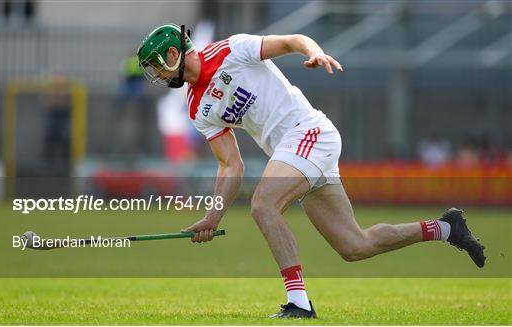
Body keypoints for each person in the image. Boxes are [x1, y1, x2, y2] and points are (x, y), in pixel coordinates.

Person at [136, 24, 486, 318]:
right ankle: (445, 228)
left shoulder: (231, 50)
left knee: (263, 205)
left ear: (173, 54)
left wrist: (313, 52)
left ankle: (298, 304)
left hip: (309, 133)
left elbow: (291, 42)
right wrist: (213, 217)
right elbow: (231, 163)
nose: (157, 75)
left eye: (156, 66)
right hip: (295, 151)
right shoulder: (197, 107)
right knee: (354, 246)